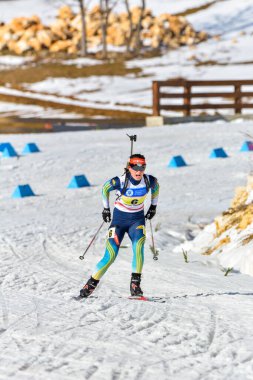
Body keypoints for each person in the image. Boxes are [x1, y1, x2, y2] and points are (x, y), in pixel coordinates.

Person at [80, 153, 159, 298]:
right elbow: (105, 189)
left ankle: (135, 285)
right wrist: (106, 208)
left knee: (139, 247)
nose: (139, 171)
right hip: (119, 222)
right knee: (110, 255)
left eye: (142, 167)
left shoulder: (149, 180)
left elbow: (156, 188)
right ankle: (90, 284)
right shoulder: (121, 181)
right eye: (135, 167)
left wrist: (153, 207)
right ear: (129, 167)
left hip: (137, 221)